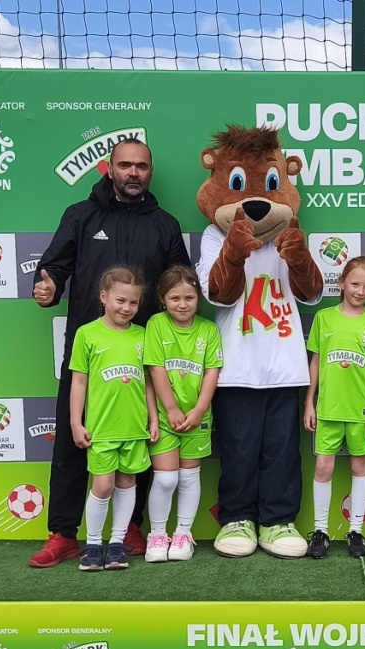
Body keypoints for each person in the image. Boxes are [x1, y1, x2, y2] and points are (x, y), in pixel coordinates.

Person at [29, 138, 191, 569]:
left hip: (142, 358)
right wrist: (47, 288)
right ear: (110, 169)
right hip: (89, 355)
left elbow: (179, 279)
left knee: (136, 443)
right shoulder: (80, 216)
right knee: (71, 441)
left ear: (150, 172)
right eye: (125, 165)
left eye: (141, 166)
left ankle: (130, 526)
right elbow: (54, 267)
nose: (133, 173)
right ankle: (62, 533)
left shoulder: (165, 224)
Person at [195, 124, 324, 560]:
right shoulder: (215, 236)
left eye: (271, 185)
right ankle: (236, 517)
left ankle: (278, 519)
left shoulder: (291, 236)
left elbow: (312, 294)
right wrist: (235, 250)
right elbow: (218, 293)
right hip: (236, 366)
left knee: (282, 450)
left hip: (285, 364)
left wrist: (301, 256)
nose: (256, 200)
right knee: (239, 447)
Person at [304, 256, 365, 559]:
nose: (360, 290)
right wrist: (309, 402)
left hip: (362, 411)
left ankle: (356, 530)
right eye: (354, 284)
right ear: (341, 283)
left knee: (359, 466)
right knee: (323, 466)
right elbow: (314, 362)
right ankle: (321, 531)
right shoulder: (324, 318)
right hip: (328, 409)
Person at [68, 268, 152, 571]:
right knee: (103, 485)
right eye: (120, 300)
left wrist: (153, 419)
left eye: (133, 303)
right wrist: (76, 423)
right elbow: (78, 382)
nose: (126, 308)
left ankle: (117, 543)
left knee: (128, 483)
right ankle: (92, 544)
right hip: (102, 429)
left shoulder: (143, 336)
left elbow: (150, 382)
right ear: (103, 298)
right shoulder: (87, 334)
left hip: (134, 428)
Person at [142, 266, 222, 563]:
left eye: (189, 297)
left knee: (189, 477)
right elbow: (155, 368)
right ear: (162, 299)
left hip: (198, 418)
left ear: (198, 298)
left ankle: (183, 534)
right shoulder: (156, 324)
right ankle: (158, 534)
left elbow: (213, 371)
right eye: (175, 297)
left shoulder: (208, 329)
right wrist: (172, 409)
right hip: (165, 418)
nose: (183, 303)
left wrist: (199, 410)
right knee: (165, 479)